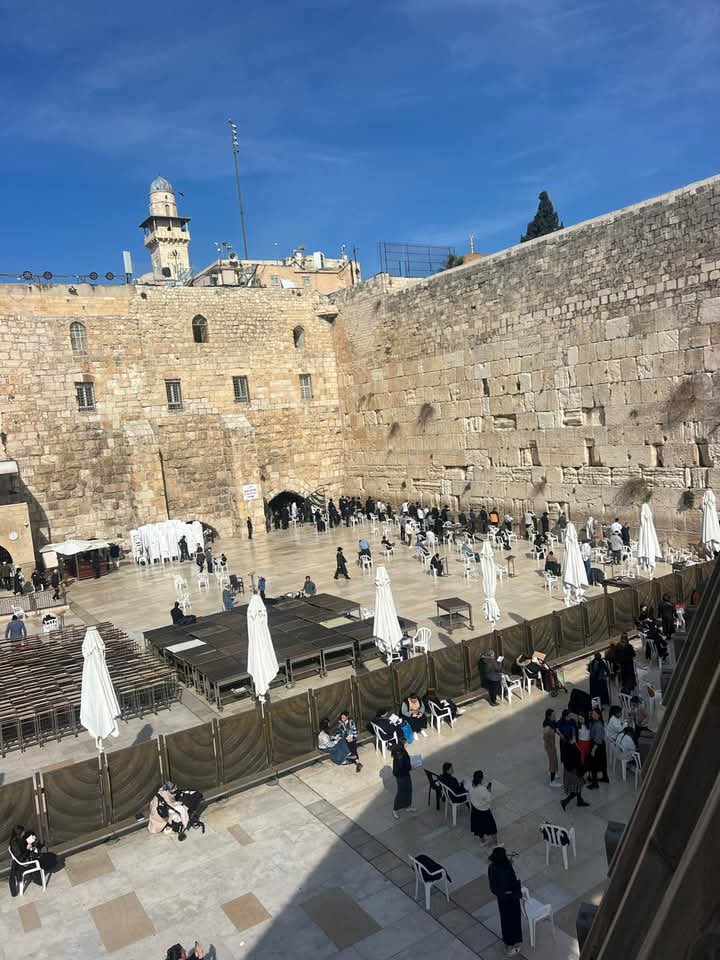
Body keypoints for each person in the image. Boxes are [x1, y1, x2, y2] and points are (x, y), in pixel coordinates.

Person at [9, 825, 64, 894]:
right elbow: (21, 857)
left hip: (27, 857)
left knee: (48, 855)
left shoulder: (16, 840)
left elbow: (22, 848)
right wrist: (28, 848)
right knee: (50, 857)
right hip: (26, 863)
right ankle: (51, 864)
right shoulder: (15, 844)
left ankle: (51, 861)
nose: (24, 832)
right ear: (19, 833)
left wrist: (30, 841)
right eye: (23, 832)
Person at [488, 846, 523, 956]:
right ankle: (514, 943)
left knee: (505, 921)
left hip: (502, 900)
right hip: (511, 899)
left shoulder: (492, 867)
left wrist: (501, 893)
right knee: (514, 920)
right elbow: (511, 881)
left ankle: (508, 944)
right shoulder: (506, 869)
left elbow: (493, 887)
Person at [560, 732, 590, 810]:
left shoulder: (565, 746)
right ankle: (565, 801)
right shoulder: (573, 749)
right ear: (570, 740)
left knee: (578, 787)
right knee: (576, 788)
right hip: (575, 772)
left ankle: (579, 801)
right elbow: (578, 762)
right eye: (573, 738)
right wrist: (583, 772)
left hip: (568, 771)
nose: (575, 739)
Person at [469, 770, 497, 844]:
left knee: (479, 827)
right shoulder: (483, 789)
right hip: (484, 811)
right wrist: (489, 791)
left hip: (475, 810)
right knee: (492, 828)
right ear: (481, 778)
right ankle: (496, 844)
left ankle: (482, 842)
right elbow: (489, 800)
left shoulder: (470, 786)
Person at [391, 740, 415, 819]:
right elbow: (403, 767)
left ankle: (407, 806)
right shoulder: (400, 755)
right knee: (401, 792)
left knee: (408, 790)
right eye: (406, 743)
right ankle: (395, 809)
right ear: (403, 744)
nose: (407, 744)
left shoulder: (403, 752)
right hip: (402, 777)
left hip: (405, 775)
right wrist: (411, 766)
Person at [587, 708, 609, 789]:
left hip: (597, 746)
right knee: (603, 762)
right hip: (600, 745)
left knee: (594, 765)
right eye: (592, 714)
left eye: (594, 714)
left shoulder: (598, 725)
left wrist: (593, 750)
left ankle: (595, 783)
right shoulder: (596, 722)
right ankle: (605, 777)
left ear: (599, 715)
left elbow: (598, 739)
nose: (592, 715)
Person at [542, 709, 561, 787]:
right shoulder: (547, 727)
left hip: (552, 745)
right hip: (550, 746)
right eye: (553, 715)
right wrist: (548, 744)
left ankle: (553, 772)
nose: (555, 716)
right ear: (549, 716)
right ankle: (552, 781)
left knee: (553, 759)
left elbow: (557, 727)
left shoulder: (552, 722)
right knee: (553, 761)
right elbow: (545, 736)